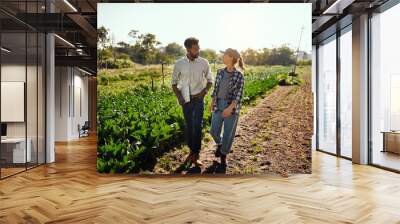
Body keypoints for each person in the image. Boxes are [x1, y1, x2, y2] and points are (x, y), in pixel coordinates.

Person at [171, 37, 213, 167]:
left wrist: (203, 93)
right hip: (186, 100)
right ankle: (191, 151)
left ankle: (196, 154)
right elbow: (173, 83)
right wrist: (180, 98)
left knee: (198, 125)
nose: (198, 50)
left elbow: (210, 80)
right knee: (189, 125)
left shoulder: (204, 62)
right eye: (195, 48)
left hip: (198, 99)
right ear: (188, 49)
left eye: (198, 47)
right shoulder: (179, 64)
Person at [209, 48, 245, 168]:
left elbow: (239, 94)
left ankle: (224, 155)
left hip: (232, 107)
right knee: (213, 131)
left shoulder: (239, 75)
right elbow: (216, 89)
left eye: (224, 55)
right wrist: (212, 101)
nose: (222, 57)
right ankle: (220, 145)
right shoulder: (220, 72)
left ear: (231, 57)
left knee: (228, 133)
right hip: (218, 105)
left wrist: (230, 108)